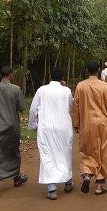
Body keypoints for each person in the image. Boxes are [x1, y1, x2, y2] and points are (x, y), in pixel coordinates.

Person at [73, 61, 107, 195]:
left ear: (87, 70)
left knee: (86, 151)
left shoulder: (80, 86)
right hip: (102, 124)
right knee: (102, 153)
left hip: (86, 124)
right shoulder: (104, 86)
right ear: (99, 70)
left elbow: (76, 106)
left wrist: (76, 124)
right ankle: (99, 186)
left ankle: (87, 174)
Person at [28, 67, 74, 200]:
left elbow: (32, 110)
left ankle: (52, 188)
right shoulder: (66, 91)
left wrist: (33, 125)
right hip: (63, 127)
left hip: (46, 127)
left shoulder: (42, 90)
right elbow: (71, 106)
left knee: (47, 155)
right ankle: (68, 182)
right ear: (62, 78)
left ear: (50, 76)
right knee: (65, 153)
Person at [0, 66, 27, 199]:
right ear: (11, 75)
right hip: (11, 126)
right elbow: (22, 107)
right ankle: (16, 178)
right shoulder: (16, 89)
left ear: (1, 75)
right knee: (12, 152)